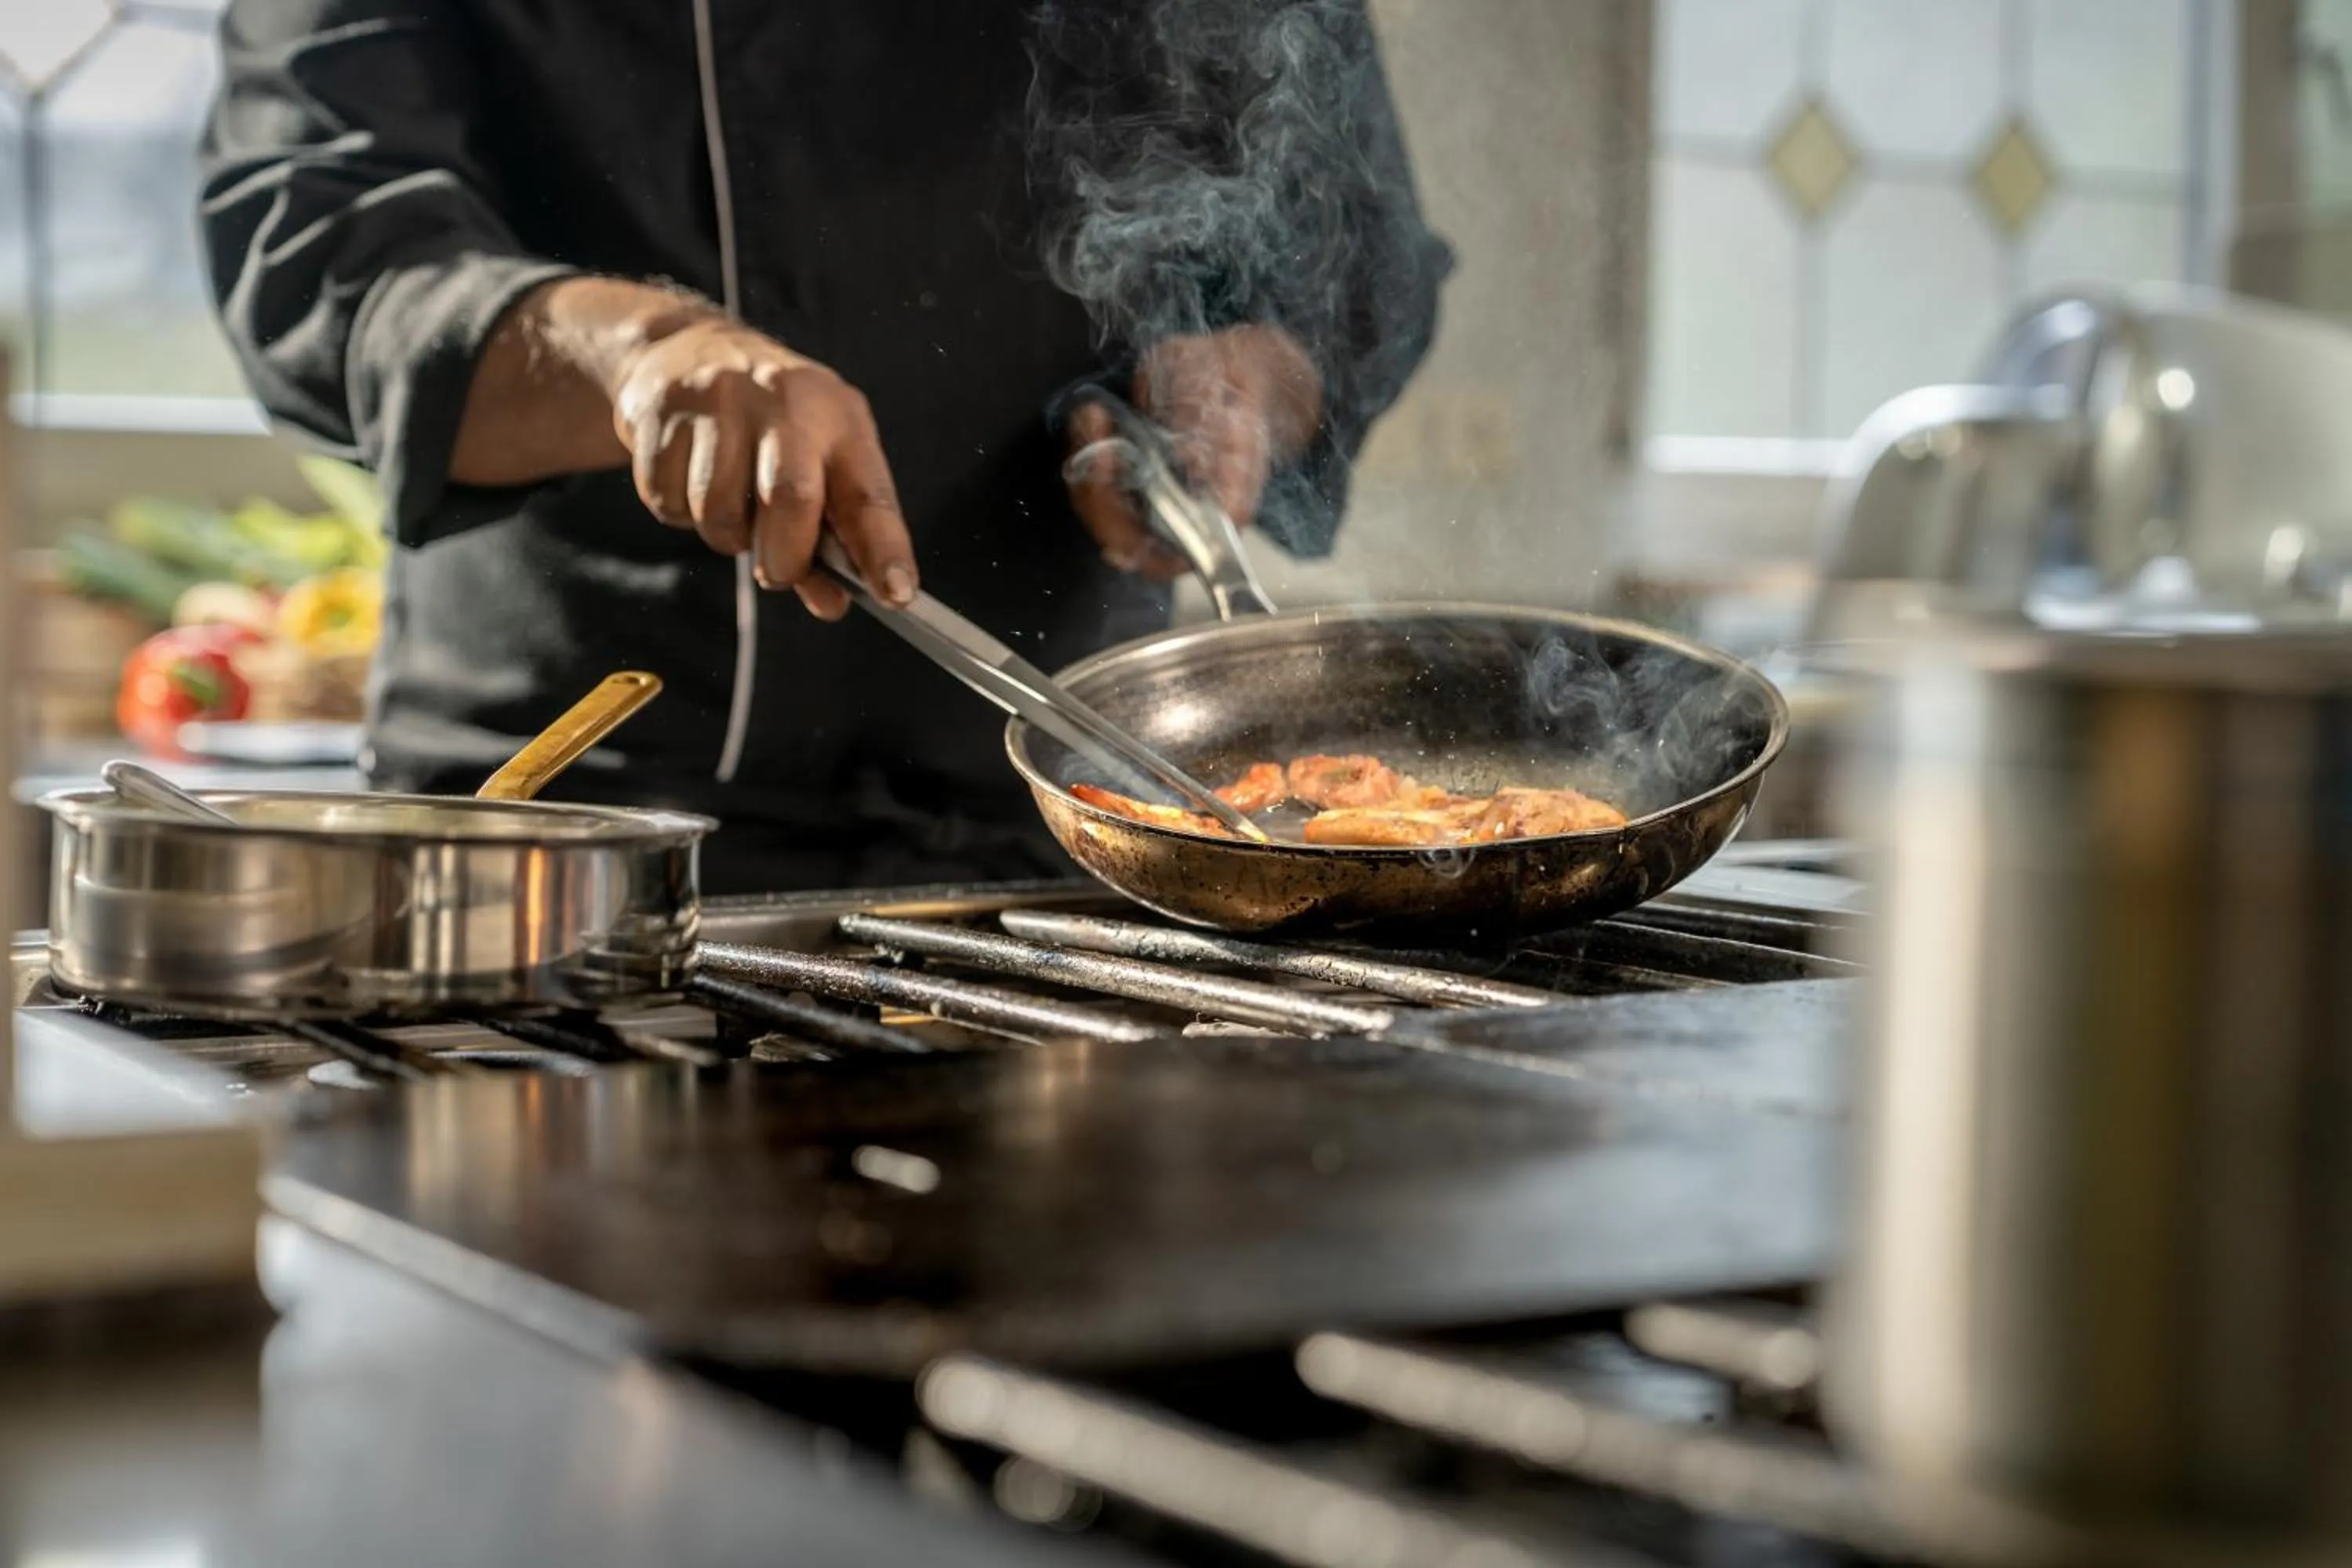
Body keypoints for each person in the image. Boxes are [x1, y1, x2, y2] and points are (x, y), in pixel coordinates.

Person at [201, 0, 1450, 893]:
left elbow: (1356, 250)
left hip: (1087, 828)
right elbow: (313, 252)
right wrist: (633, 356)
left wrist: (1250, 384)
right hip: (570, 838)